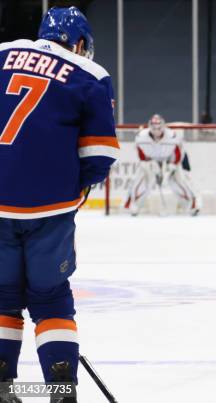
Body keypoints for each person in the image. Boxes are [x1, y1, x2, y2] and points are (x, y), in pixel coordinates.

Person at [0, 6, 118, 402]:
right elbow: (99, 156)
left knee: (2, 297)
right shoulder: (91, 75)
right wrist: (72, 191)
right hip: (48, 209)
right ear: (81, 42)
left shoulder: (1, 54)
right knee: (51, 298)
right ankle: (61, 390)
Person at [124, 114, 199, 216]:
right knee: (141, 180)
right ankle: (133, 204)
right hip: (150, 161)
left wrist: (172, 165)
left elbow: (179, 152)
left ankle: (192, 205)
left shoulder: (172, 136)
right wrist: (149, 163)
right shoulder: (141, 137)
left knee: (179, 182)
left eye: (158, 127)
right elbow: (140, 154)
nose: (156, 130)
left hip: (169, 161)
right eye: (154, 127)